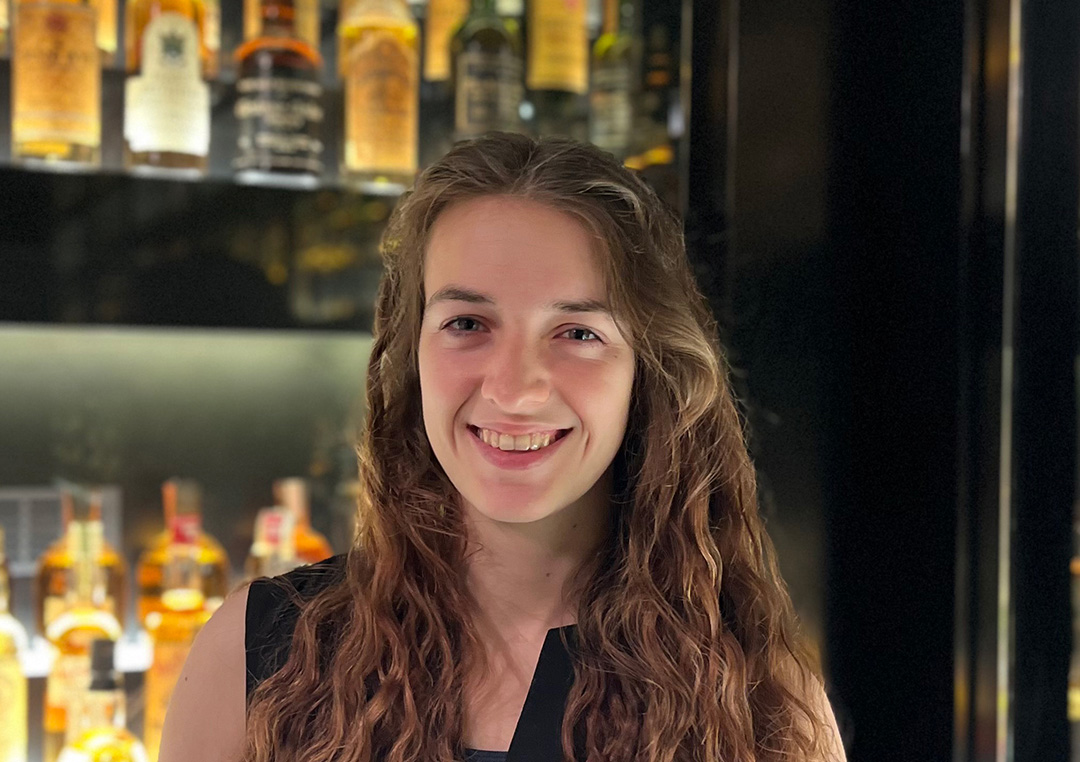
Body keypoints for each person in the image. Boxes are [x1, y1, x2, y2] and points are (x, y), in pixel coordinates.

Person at [159, 133, 846, 762]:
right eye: (467, 322)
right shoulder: (253, 652)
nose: (515, 390)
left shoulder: (760, 698)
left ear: (649, 370)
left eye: (577, 332)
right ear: (409, 356)